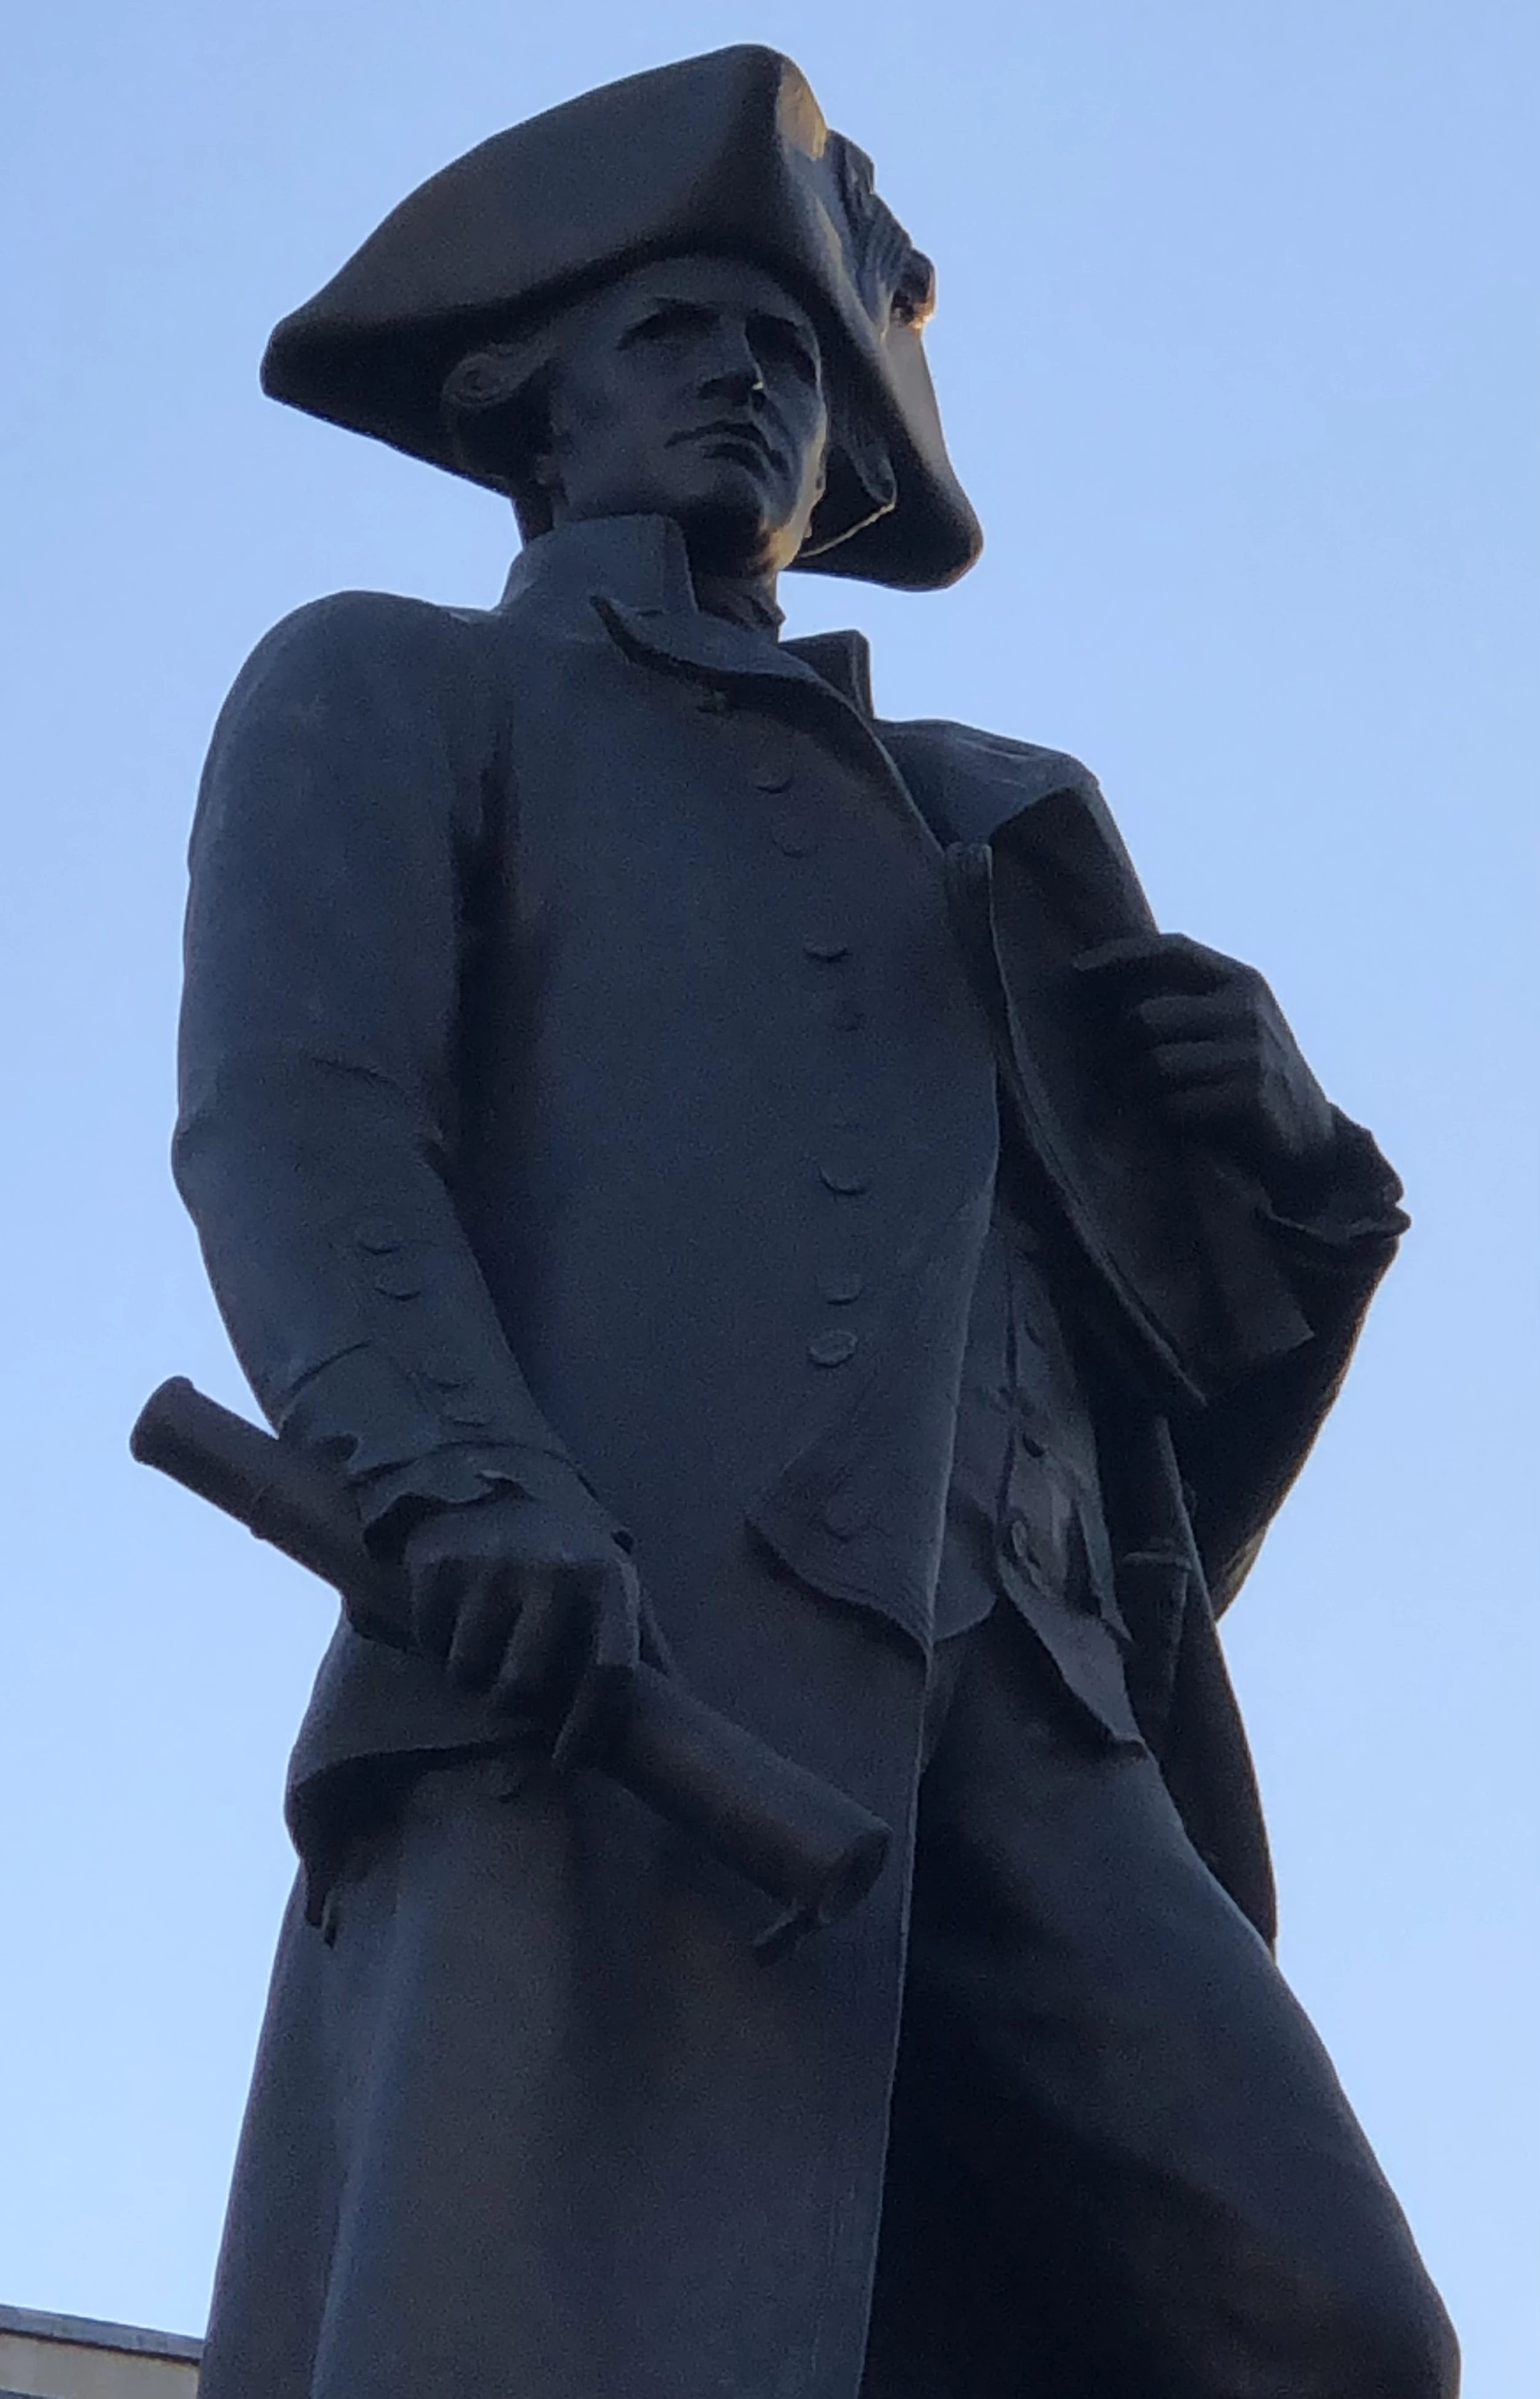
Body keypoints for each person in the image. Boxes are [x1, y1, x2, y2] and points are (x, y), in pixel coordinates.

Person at [177, 44, 1457, 2399]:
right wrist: (459, 1477)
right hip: (621, 1661)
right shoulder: (395, 684)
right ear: (526, 403)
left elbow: (1136, 1394)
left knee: (1331, 2331)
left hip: (1037, 1711)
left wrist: (1291, 1182)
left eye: (789, 356)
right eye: (673, 333)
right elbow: (302, 1120)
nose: (747, 383)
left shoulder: (997, 824)